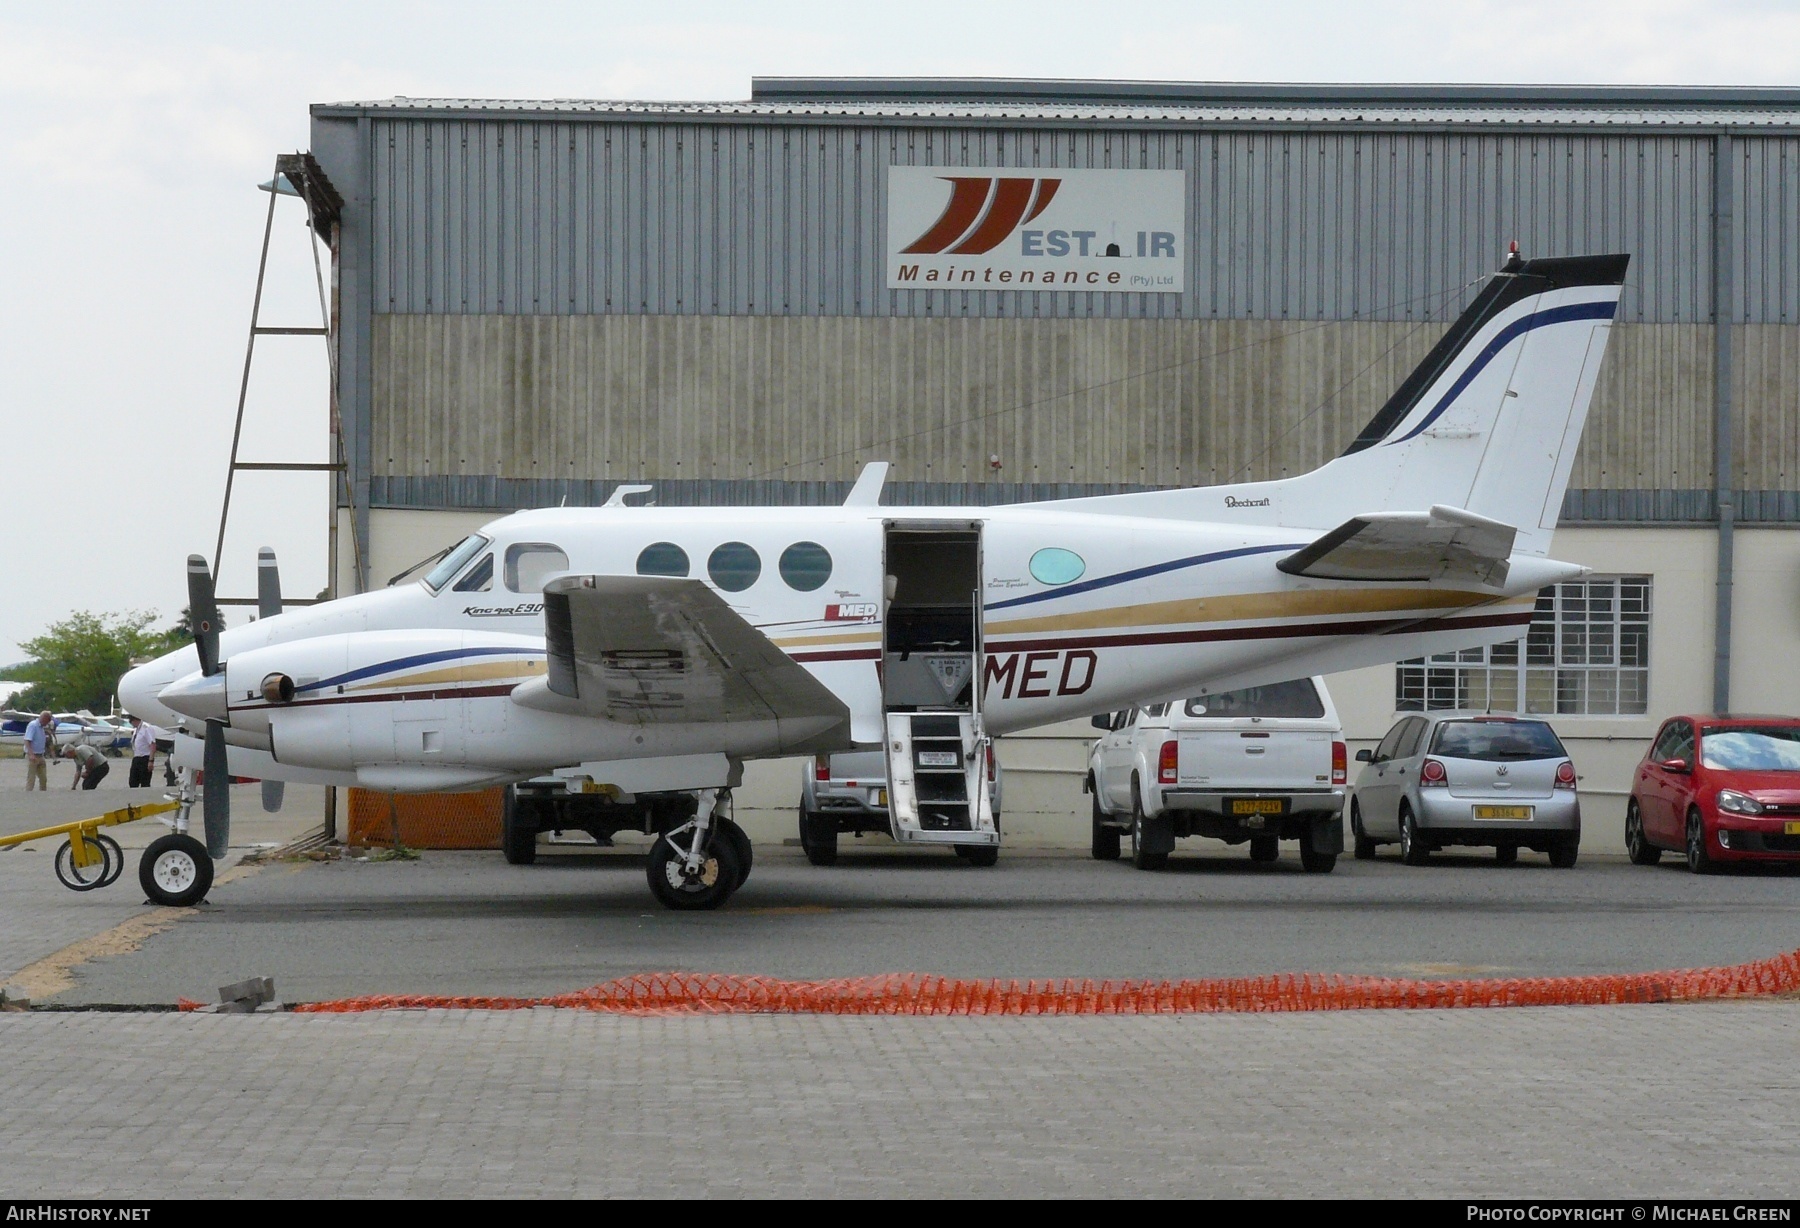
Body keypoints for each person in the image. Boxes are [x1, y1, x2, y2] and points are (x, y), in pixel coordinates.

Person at [22, 710, 54, 791]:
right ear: (44, 719)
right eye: (48, 721)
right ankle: (28, 794)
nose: (48, 723)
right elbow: (27, 740)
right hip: (33, 755)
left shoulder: (42, 728)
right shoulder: (33, 725)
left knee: (43, 778)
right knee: (31, 778)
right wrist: (31, 754)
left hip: (41, 755)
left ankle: (43, 793)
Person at [127, 715, 156, 787]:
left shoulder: (146, 728)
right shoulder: (136, 730)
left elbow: (152, 744)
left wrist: (151, 760)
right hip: (136, 757)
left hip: (145, 757)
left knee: (145, 782)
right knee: (132, 782)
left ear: (134, 720)